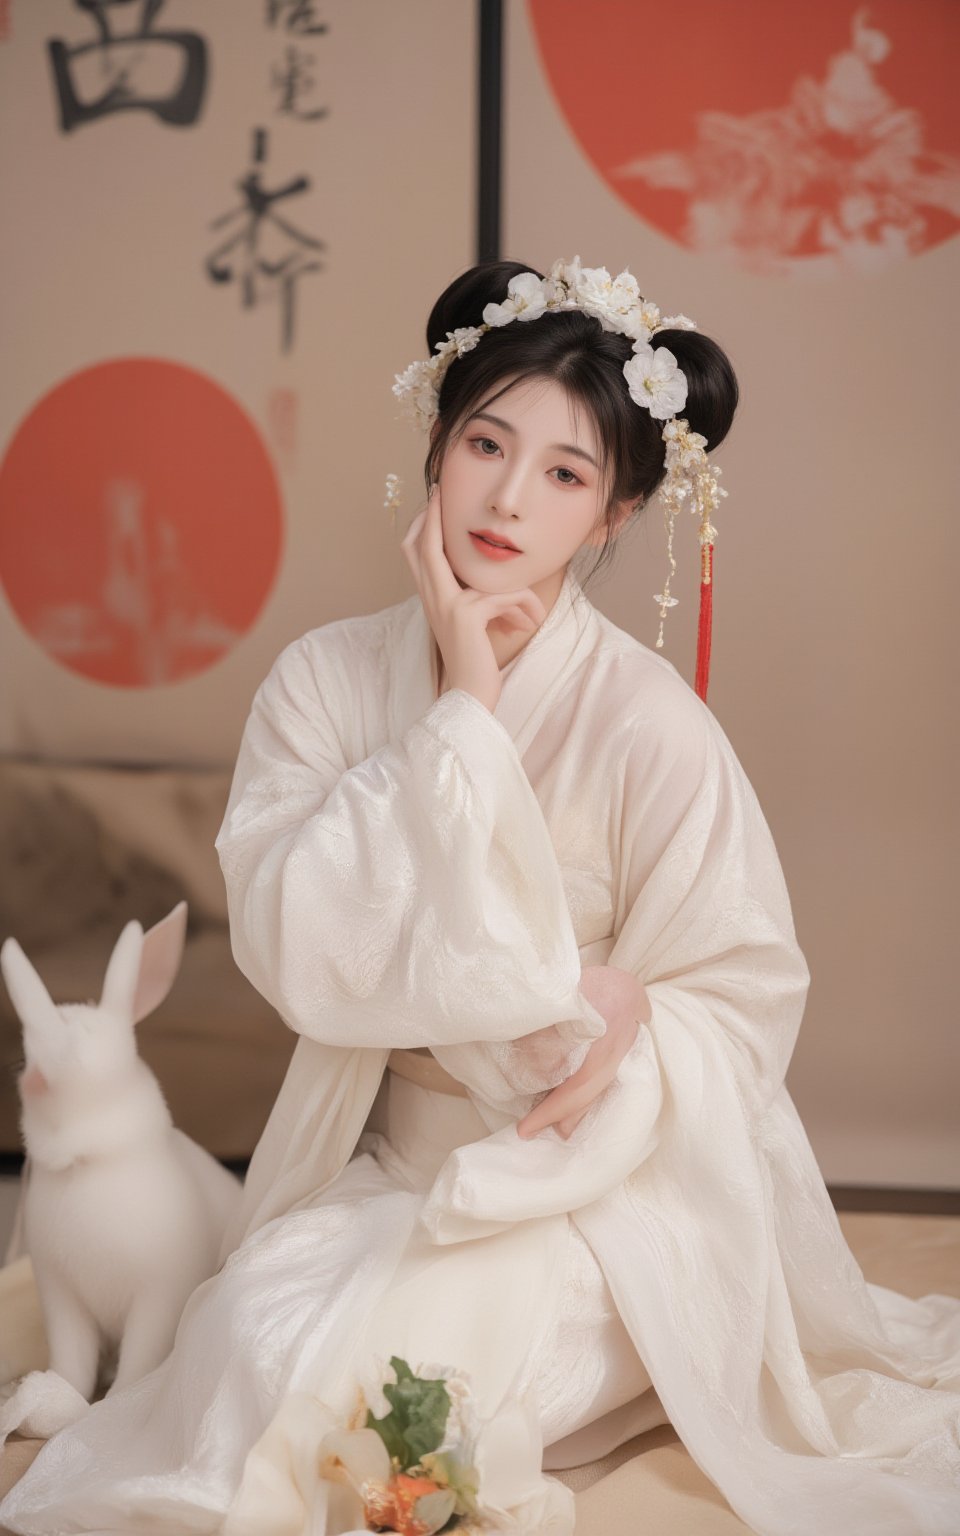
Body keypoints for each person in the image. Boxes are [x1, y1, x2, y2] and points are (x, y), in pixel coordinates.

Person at [2, 258, 958, 1536]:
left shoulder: (650, 727)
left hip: (589, 1192)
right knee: (250, 1348)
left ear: (614, 513)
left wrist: (637, 1017)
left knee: (399, 1388)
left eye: (564, 474)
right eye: (485, 443)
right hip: (388, 1160)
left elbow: (743, 988)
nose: (509, 498)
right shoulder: (325, 683)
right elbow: (300, 951)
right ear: (437, 447)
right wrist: (460, 711)